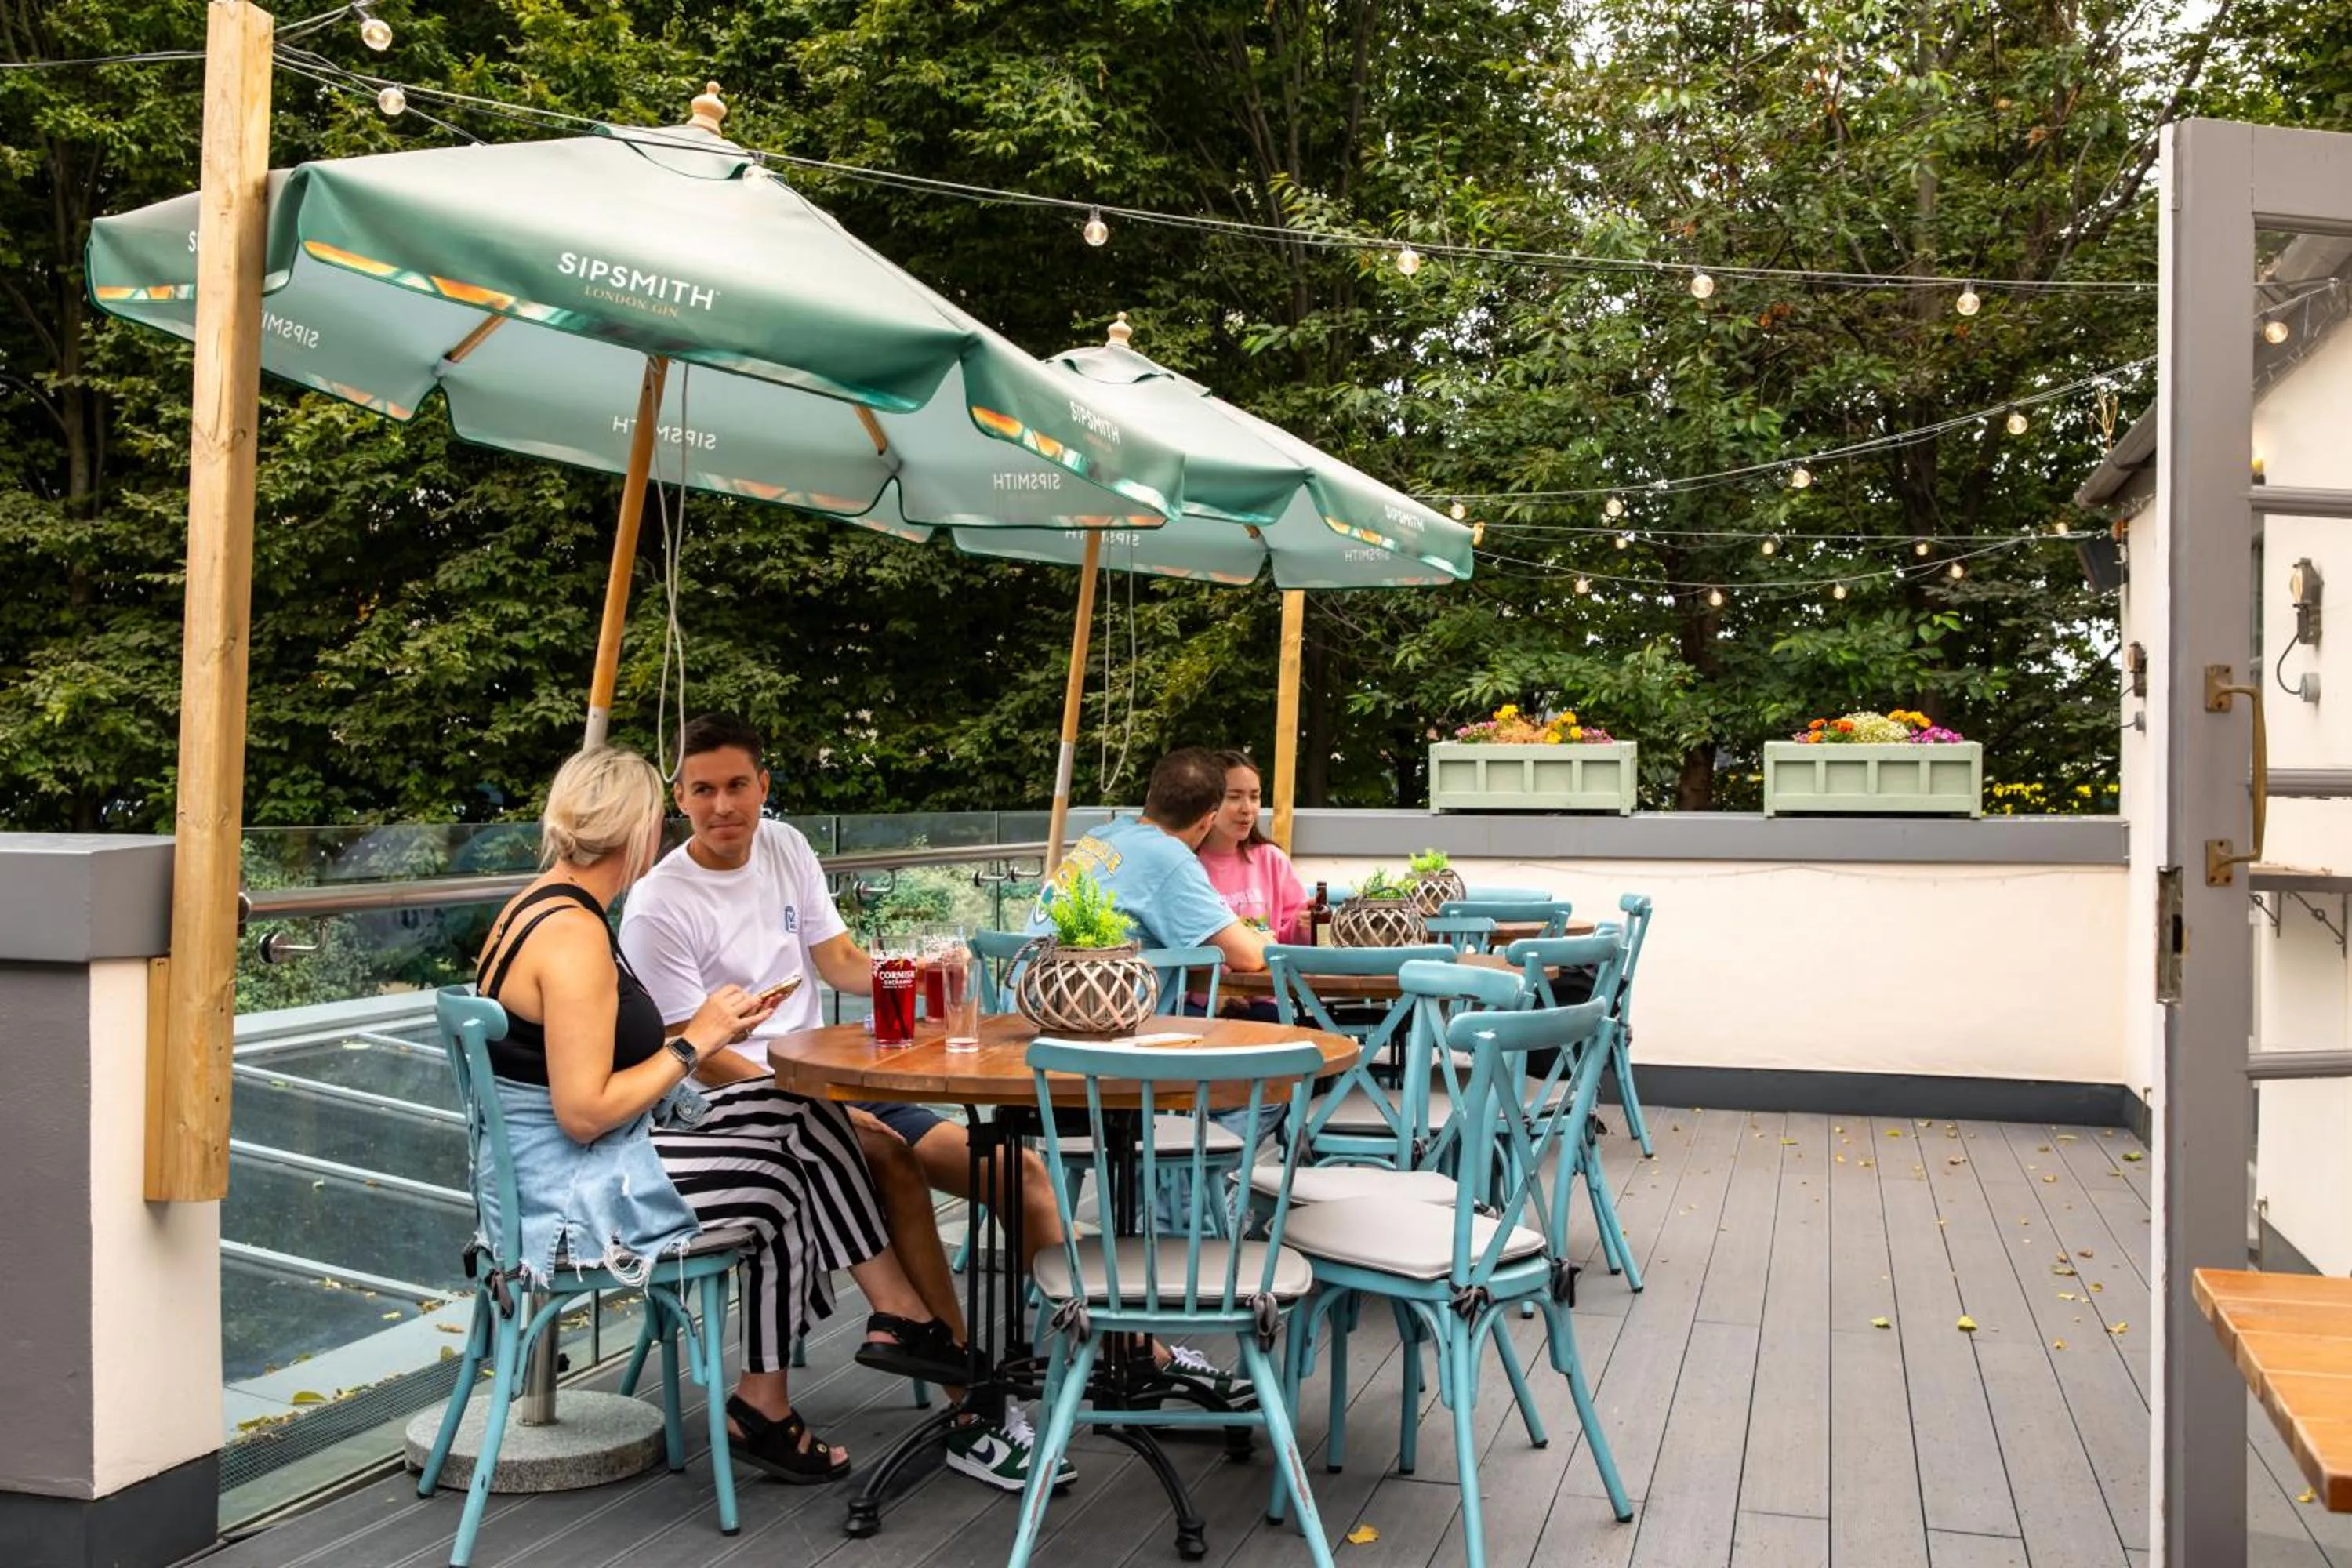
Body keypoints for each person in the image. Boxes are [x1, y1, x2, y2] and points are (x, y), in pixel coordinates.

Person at [471, 746, 967, 1489]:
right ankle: (779, 1394)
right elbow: (582, 1112)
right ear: (643, 831)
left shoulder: (544, 903)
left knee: (799, 1105)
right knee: (778, 1175)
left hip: (589, 1159)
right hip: (574, 1196)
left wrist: (719, 1028)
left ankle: (893, 1319)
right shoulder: (572, 938)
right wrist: (694, 1040)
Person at [619, 713, 1073, 1492]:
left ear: (764, 784)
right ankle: (974, 1410)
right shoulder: (658, 903)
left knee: (1020, 1173)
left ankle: (1116, 1353)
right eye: (704, 789)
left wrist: (922, 974)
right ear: (679, 798)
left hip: (841, 1082)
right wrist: (808, 1101)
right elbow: (695, 1055)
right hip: (737, 1107)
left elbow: (839, 962)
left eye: (737, 785)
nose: (723, 804)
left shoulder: (787, 846)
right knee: (892, 1163)